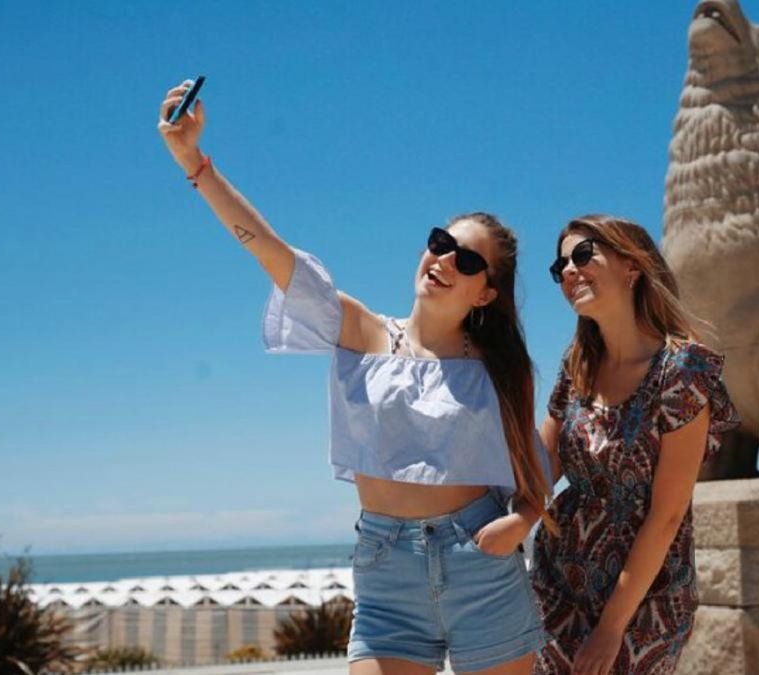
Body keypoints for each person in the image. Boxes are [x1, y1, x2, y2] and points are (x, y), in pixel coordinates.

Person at [156, 80, 552, 675]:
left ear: (485, 292)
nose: (443, 260)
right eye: (440, 244)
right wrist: (194, 162)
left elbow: (532, 478)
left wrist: (519, 523)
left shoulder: (501, 368)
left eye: (466, 260)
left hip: (481, 564)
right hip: (386, 567)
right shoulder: (359, 330)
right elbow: (269, 250)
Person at [531, 215, 740, 675]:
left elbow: (667, 516)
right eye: (560, 265)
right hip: (558, 583)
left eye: (583, 255)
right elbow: (541, 467)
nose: (568, 271)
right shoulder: (577, 366)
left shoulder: (681, 371)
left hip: (647, 596)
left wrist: (611, 628)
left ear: (632, 267)